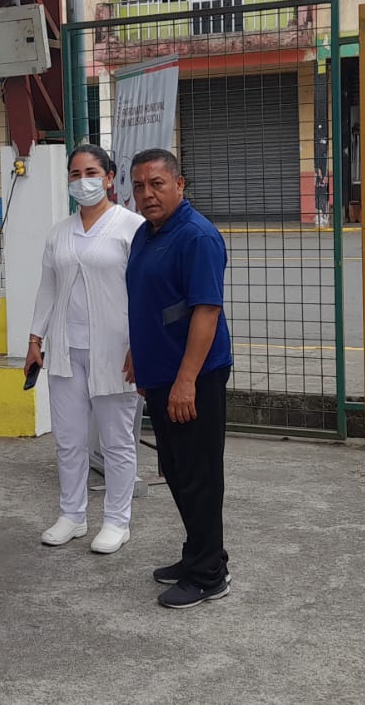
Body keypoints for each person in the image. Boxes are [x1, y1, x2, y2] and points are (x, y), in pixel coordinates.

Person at [124, 148, 234, 610]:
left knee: (198, 475)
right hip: (160, 370)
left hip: (193, 376)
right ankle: (198, 555)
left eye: (157, 184)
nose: (147, 194)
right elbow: (152, 302)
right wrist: (139, 351)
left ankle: (209, 575)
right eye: (139, 186)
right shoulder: (146, 234)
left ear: (180, 184)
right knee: (177, 470)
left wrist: (186, 381)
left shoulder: (197, 237)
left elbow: (206, 311)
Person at [26, 144, 146, 555]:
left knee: (116, 441)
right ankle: (72, 515)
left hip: (116, 351)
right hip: (65, 351)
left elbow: (144, 292)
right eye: (75, 174)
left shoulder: (132, 227)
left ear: (110, 178)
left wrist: (140, 346)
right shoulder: (59, 232)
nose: (83, 182)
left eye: (91, 173)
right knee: (69, 439)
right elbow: (48, 288)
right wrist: (35, 339)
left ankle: (117, 521)